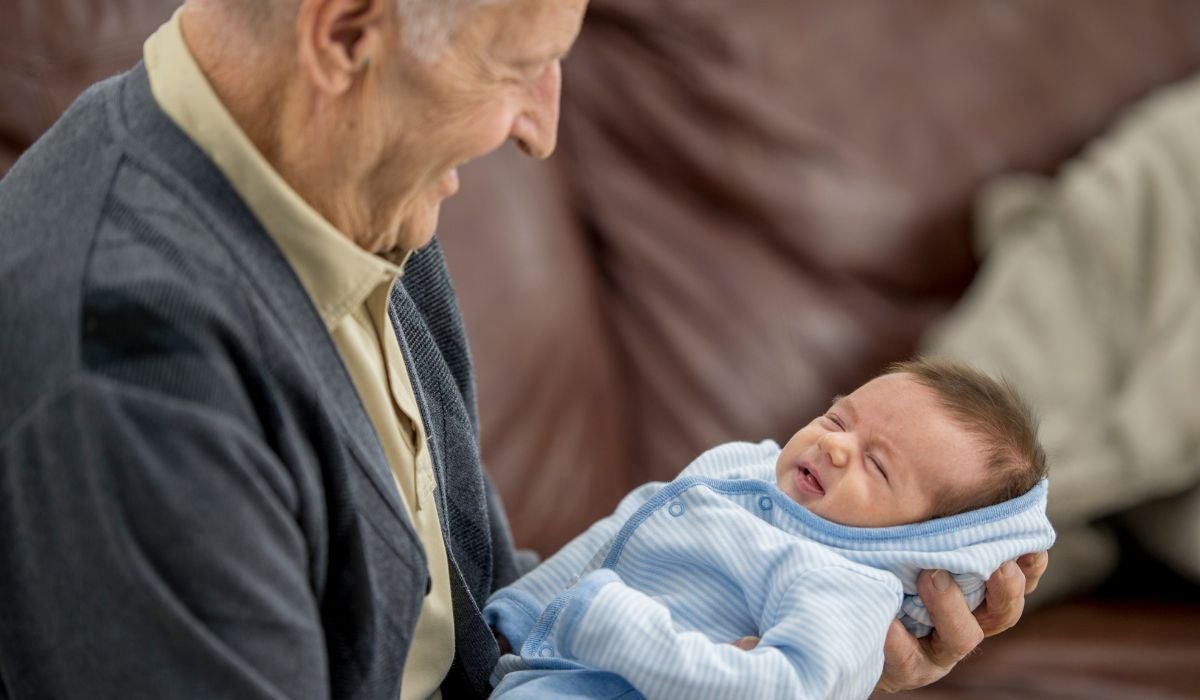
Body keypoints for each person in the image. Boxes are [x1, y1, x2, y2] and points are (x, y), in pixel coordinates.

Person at [0, 0, 1044, 697]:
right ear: (347, 34)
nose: (540, 130)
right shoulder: (131, 369)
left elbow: (467, 614)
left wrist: (818, 659)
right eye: (520, 66)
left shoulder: (360, 207)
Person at [484, 358, 1055, 699]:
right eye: (837, 419)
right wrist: (520, 609)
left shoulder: (847, 588)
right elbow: (626, 525)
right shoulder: (742, 466)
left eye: (877, 467)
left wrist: (619, 631)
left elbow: (781, 690)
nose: (833, 446)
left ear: (917, 540)